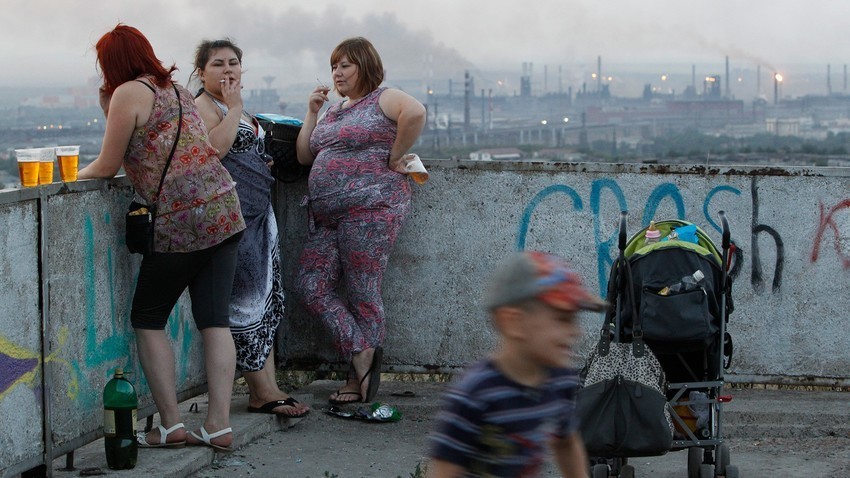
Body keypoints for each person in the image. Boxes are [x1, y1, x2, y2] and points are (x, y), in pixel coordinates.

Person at [78, 24, 245, 452]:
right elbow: (149, 144)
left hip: (182, 220)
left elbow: (106, 164)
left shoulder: (127, 93)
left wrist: (67, 178)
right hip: (224, 209)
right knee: (214, 321)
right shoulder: (174, 89)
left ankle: (170, 426)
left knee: (148, 319)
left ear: (110, 63)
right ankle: (218, 425)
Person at [294, 36, 426, 404]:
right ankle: (360, 350)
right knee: (310, 284)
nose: (337, 72)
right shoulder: (335, 111)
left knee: (362, 293)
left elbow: (415, 113)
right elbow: (305, 155)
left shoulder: (383, 97)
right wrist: (312, 111)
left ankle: (359, 381)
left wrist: (394, 156)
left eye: (345, 65)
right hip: (328, 216)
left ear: (365, 67)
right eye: (334, 66)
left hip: (371, 210)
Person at [192, 38, 309, 418]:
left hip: (260, 215)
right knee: (243, 305)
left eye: (233, 64)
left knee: (265, 303)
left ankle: (268, 388)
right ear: (201, 72)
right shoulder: (202, 107)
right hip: (232, 220)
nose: (228, 71)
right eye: (217, 65)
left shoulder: (232, 108)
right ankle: (260, 390)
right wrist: (237, 108)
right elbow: (212, 151)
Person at [427, 251, 606, 477]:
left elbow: (566, 442)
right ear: (513, 322)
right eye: (562, 319)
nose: (575, 332)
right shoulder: (474, 394)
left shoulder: (560, 382)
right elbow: (444, 471)